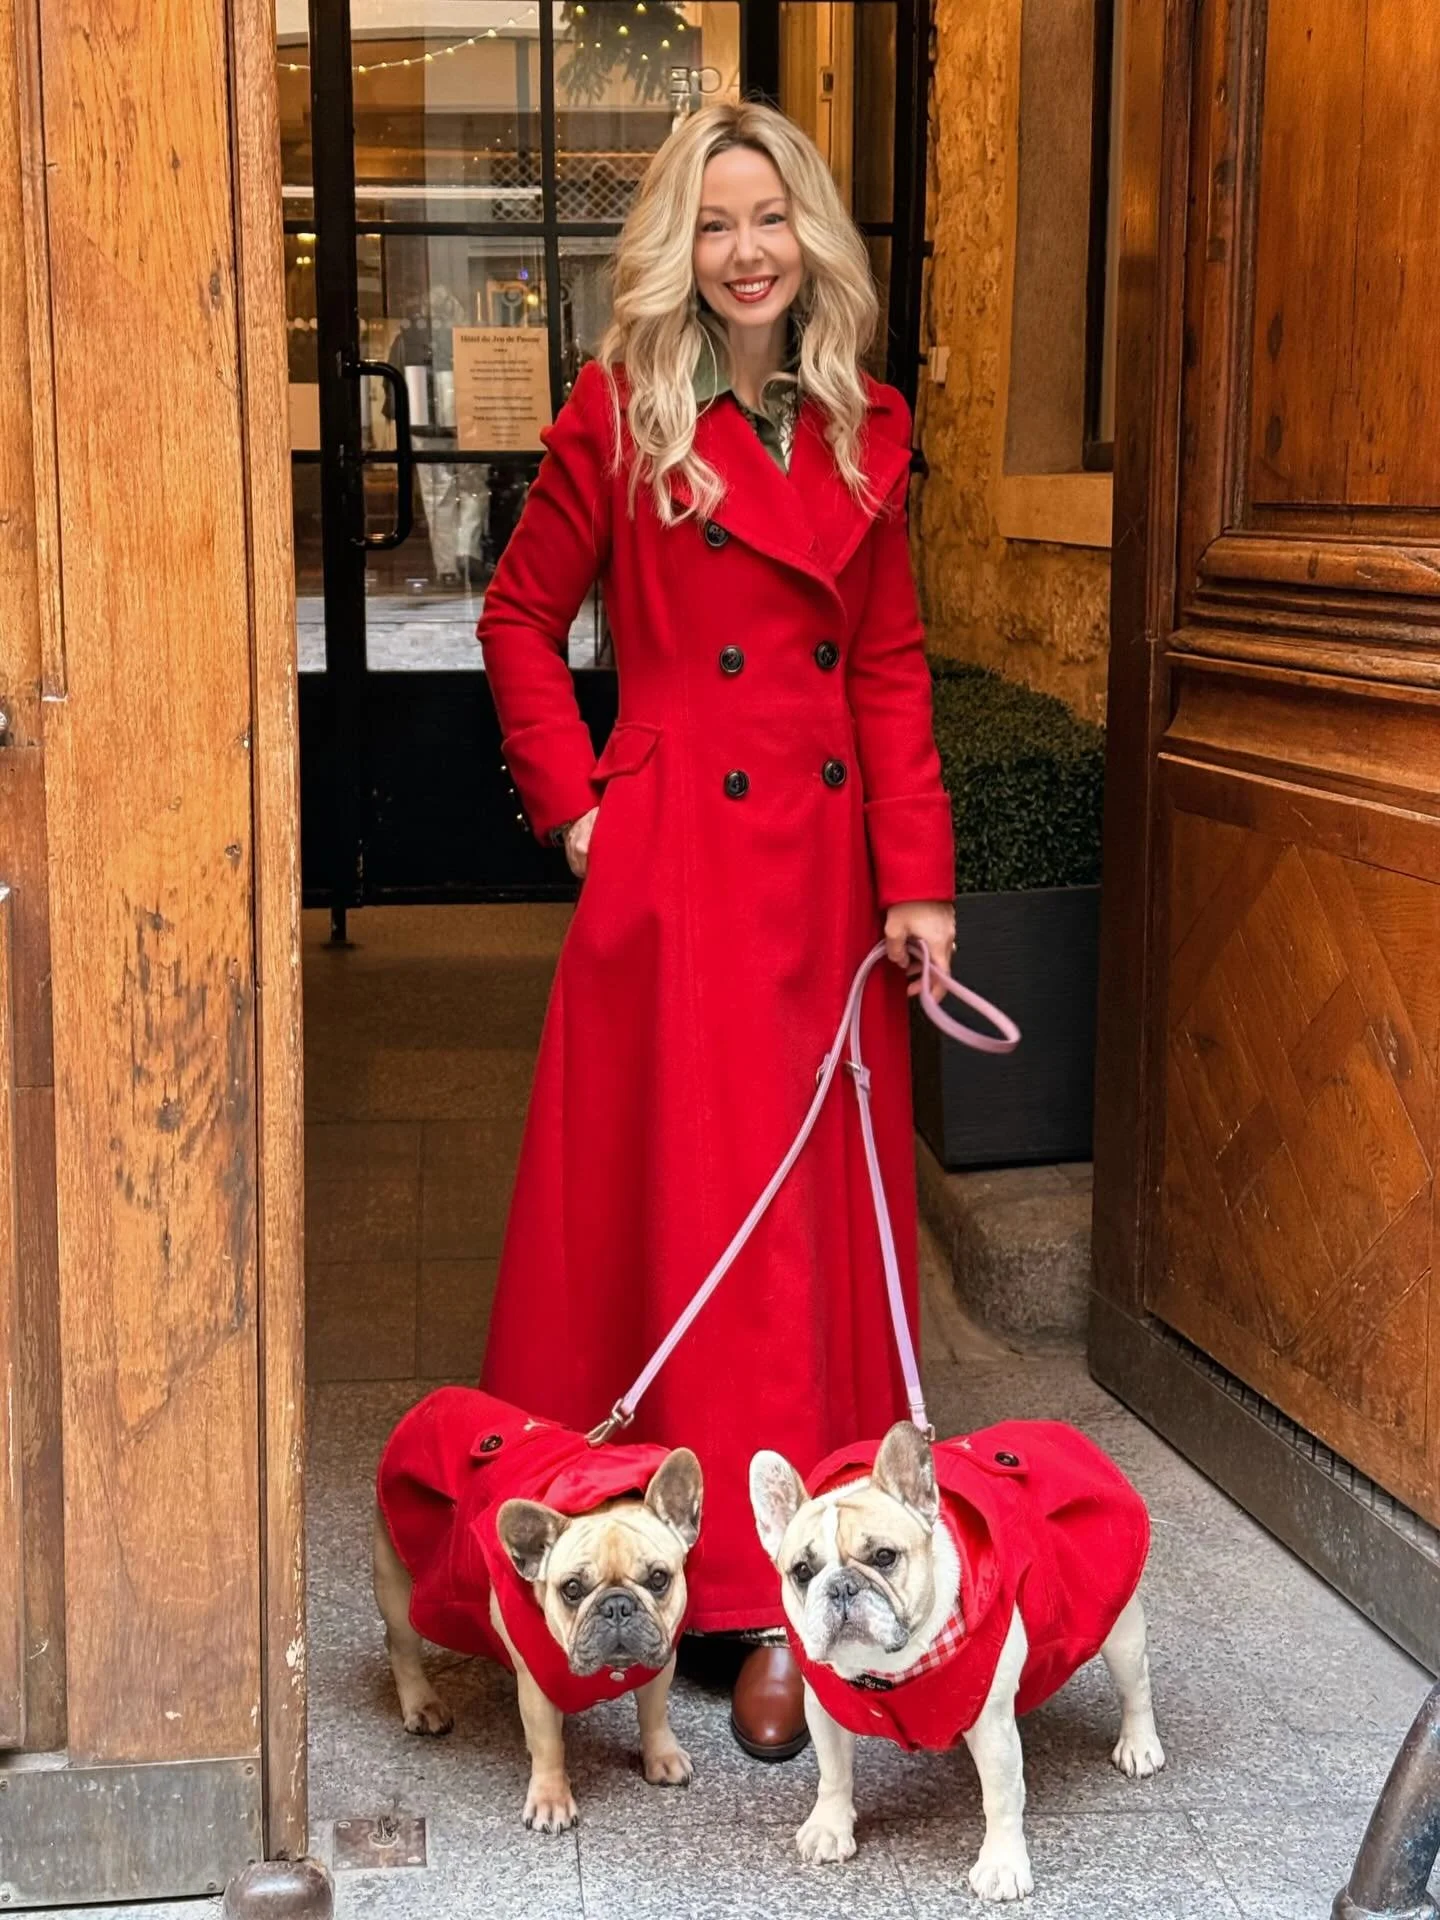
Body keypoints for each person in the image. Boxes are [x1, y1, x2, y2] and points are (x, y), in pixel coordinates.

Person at [475, 99, 956, 1761]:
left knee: (807, 1230)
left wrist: (920, 884)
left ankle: (792, 1590)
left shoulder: (864, 426)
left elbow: (884, 669)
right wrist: (587, 811)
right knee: (679, 1212)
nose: (746, 251)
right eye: (713, 220)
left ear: (808, 236)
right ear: (676, 245)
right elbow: (519, 618)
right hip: (676, 876)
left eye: (772, 219)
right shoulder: (620, 410)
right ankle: (643, 1562)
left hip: (825, 882)